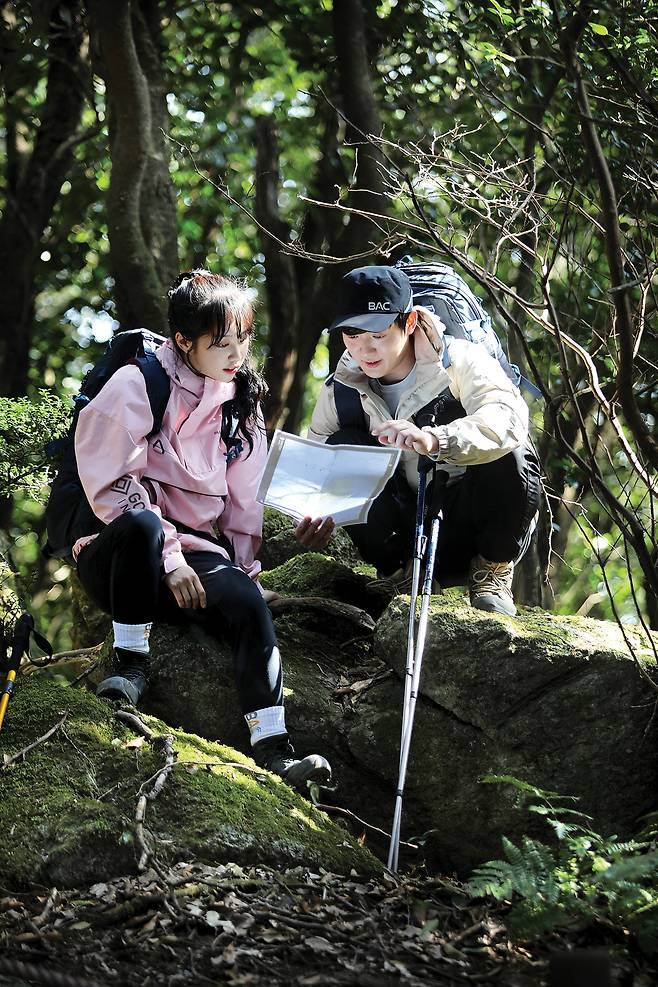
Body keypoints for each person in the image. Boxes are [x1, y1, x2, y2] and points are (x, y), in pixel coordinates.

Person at [73, 269, 331, 788]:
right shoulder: (138, 384)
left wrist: (246, 575)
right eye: (221, 343)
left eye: (244, 339)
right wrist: (169, 560)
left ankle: (274, 747)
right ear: (183, 341)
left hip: (197, 556)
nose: (236, 354)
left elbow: (241, 507)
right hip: (123, 555)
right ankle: (129, 665)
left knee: (247, 604)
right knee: (144, 525)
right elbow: (112, 488)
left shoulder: (241, 405)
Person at [296, 265, 541, 616]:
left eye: (377, 333)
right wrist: (316, 517)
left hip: (467, 521)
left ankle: (491, 572)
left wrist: (435, 439)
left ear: (409, 323)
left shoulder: (459, 360)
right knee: (341, 445)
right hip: (401, 530)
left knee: (512, 454)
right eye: (352, 333)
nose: (364, 348)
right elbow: (316, 468)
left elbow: (508, 419)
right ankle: (397, 577)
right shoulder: (342, 388)